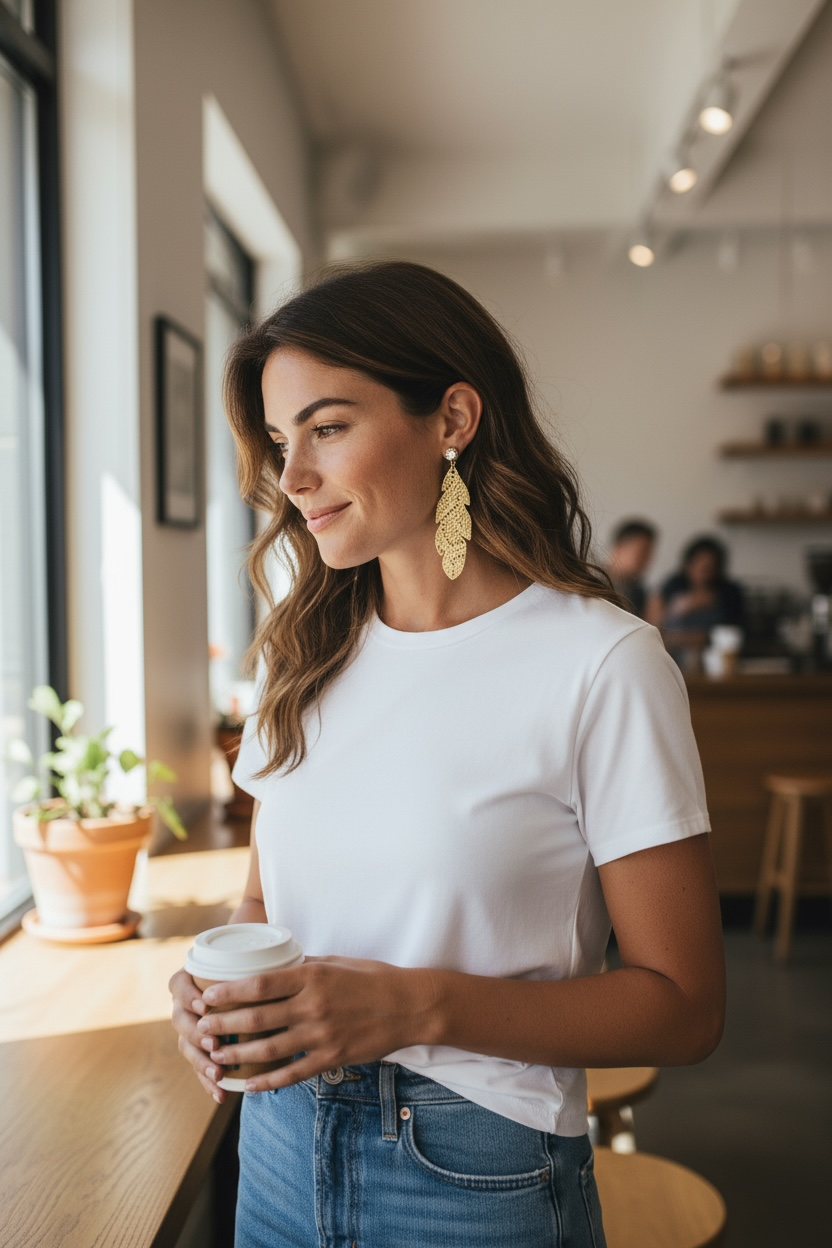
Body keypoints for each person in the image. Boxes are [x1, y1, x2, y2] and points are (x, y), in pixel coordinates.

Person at [169, 261, 725, 1248]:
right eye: (279, 440)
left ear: (452, 420)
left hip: (472, 1175)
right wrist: (224, 991)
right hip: (276, 1145)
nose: (291, 478)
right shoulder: (301, 655)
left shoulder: (599, 665)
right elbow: (268, 901)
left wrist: (412, 1006)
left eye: (327, 427)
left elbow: (682, 1009)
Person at [648, 535, 747, 665]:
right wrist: (679, 608)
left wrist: (703, 637)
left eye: (710, 568)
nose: (704, 572)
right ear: (688, 565)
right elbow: (653, 627)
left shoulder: (729, 592)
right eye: (699, 565)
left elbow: (735, 633)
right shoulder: (671, 587)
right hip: (672, 659)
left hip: (715, 661)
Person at [605, 518, 657, 617]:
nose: (648, 559)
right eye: (642, 552)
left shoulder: (639, 590)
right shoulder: (595, 581)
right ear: (619, 548)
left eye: (650, 553)